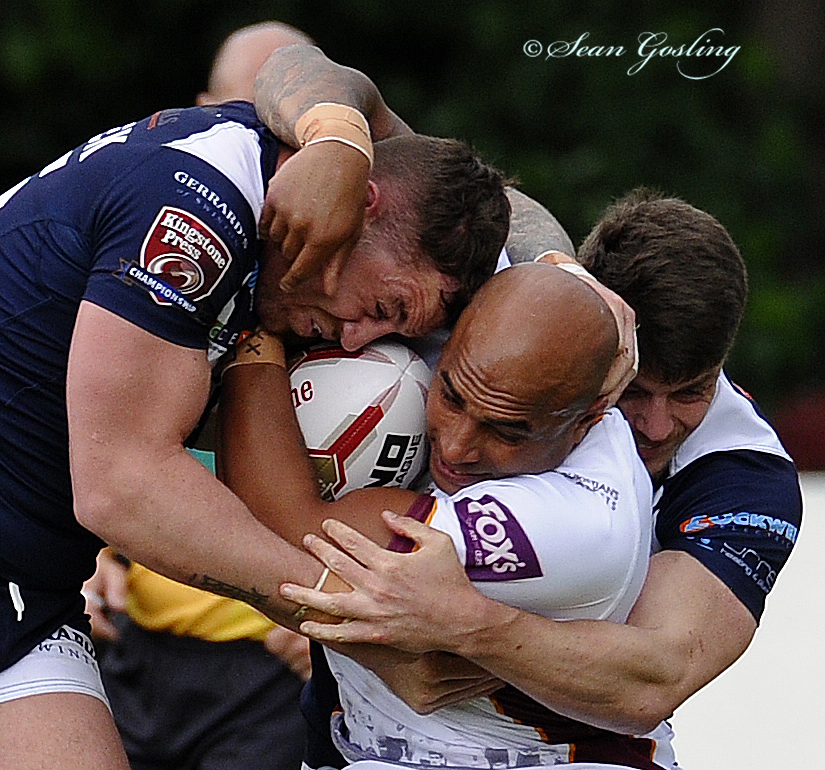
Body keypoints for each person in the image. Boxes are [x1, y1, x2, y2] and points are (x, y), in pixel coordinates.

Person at [0, 63, 509, 767]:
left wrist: (563, 269)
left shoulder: (300, 184)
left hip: (32, 588)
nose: (356, 340)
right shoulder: (198, 209)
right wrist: (348, 615)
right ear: (359, 204)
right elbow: (123, 487)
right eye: (382, 307)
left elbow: (349, 94)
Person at [284, 189, 803, 754]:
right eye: (633, 391)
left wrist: (467, 626)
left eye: (691, 393)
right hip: (345, 740)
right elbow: (454, 187)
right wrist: (555, 263)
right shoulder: (512, 324)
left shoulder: (744, 473)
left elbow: (654, 678)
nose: (656, 426)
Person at [218, 262, 663, 768]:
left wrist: (261, 324)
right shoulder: (488, 347)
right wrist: (554, 261)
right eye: (450, 396)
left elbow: (283, 526)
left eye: (506, 431)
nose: (454, 448)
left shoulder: (577, 525)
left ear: (587, 421)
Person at [82, 23, 318, 770]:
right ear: (206, 110)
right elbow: (104, 438)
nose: (269, 139)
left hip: (268, 655)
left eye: (291, 122)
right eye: (252, 111)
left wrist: (324, 615)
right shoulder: (156, 250)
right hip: (135, 638)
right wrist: (92, 557)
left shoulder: (336, 293)